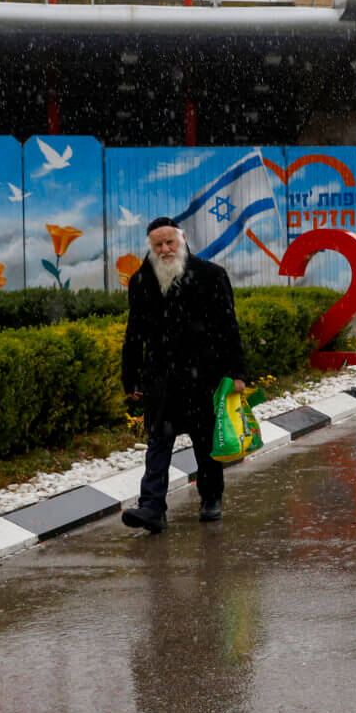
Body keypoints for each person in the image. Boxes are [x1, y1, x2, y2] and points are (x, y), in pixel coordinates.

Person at [120, 217, 247, 533]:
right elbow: (134, 333)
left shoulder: (211, 276)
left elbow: (228, 329)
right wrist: (131, 378)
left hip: (203, 376)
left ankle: (211, 497)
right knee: (158, 442)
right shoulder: (141, 281)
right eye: (157, 245)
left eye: (169, 243)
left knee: (205, 442)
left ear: (182, 240)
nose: (164, 249)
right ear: (151, 247)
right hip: (161, 379)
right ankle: (152, 507)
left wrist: (238, 373)